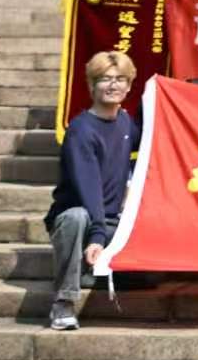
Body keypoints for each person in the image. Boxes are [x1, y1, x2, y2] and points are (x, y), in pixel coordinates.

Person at [44, 50, 138, 331]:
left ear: (129, 86)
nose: (113, 85)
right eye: (105, 79)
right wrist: (96, 235)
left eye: (120, 79)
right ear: (91, 85)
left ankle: (87, 272)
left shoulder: (126, 123)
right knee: (76, 217)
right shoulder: (81, 130)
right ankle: (63, 301)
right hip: (83, 223)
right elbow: (90, 189)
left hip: (111, 223)